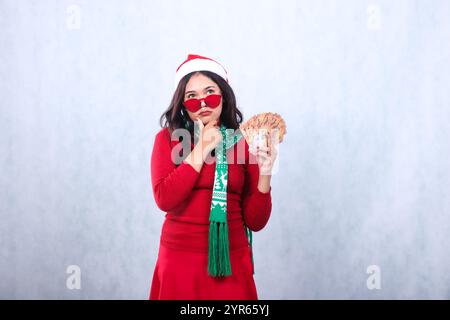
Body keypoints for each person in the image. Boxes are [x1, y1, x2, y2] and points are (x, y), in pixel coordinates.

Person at [149, 54, 277, 299]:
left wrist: (266, 174)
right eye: (192, 97)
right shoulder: (168, 139)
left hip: (232, 261)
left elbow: (256, 222)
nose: (203, 102)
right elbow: (164, 198)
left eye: (210, 92)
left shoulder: (243, 143)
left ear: (224, 96)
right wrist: (202, 148)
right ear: (182, 104)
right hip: (180, 261)